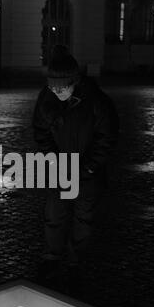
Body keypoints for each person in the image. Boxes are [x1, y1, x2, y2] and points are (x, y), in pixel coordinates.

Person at [32, 45, 119, 289]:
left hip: (86, 175)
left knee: (83, 219)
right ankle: (51, 257)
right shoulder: (47, 97)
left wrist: (88, 168)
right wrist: (52, 159)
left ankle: (75, 262)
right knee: (54, 216)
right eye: (52, 86)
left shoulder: (96, 101)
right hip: (58, 172)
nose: (57, 91)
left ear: (75, 81)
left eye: (62, 86)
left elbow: (107, 136)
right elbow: (40, 131)